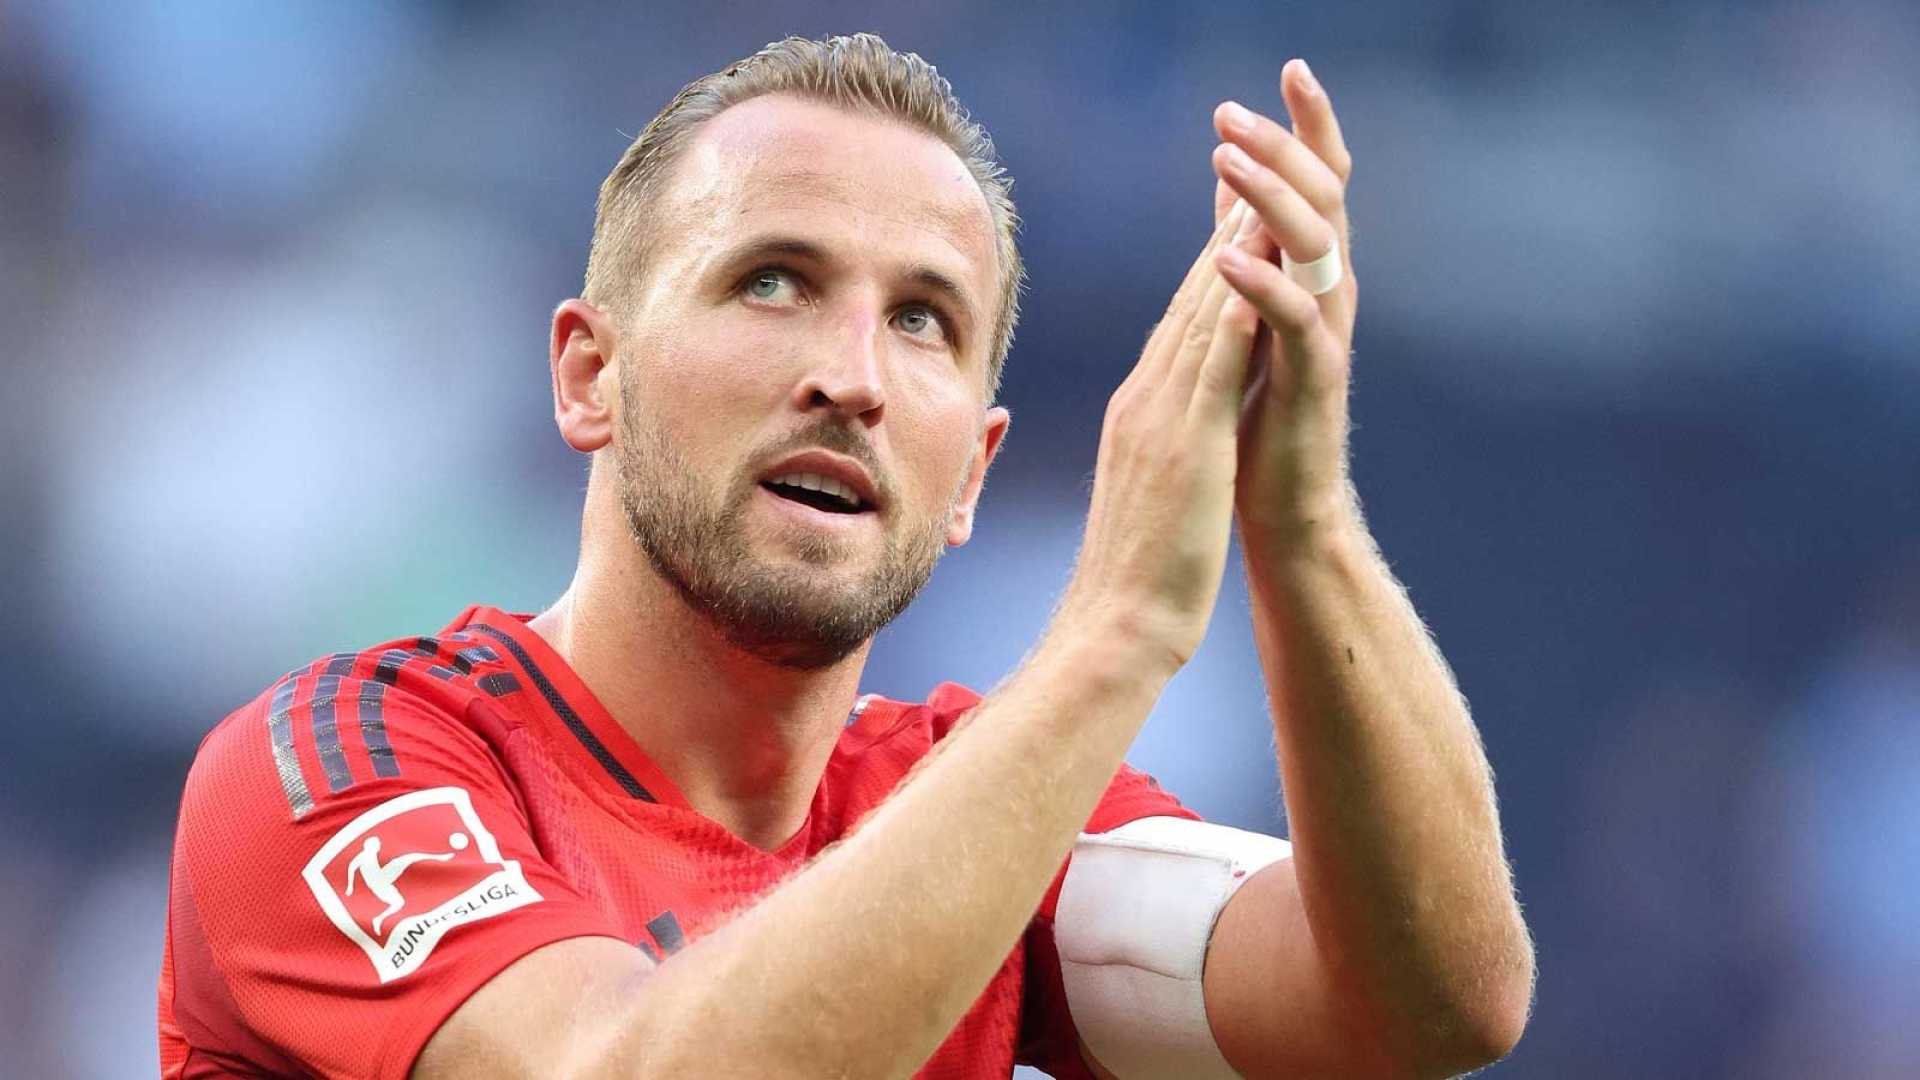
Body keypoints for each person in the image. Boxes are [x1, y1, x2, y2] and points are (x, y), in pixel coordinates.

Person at [159, 33, 1532, 1080]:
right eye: (773, 282)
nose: (854, 378)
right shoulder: (344, 764)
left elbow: (1428, 1006)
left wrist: (1300, 524)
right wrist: (1116, 631)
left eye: (925, 318)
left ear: (972, 471)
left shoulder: (972, 811)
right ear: (589, 375)